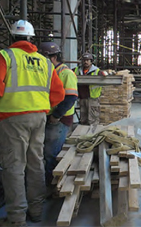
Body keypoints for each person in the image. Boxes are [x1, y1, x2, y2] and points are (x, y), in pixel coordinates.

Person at [0, 20, 65, 227]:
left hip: (13, 117)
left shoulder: (5, 56)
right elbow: (58, 93)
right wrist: (44, 107)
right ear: (31, 39)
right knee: (35, 163)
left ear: (12, 37)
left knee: (14, 167)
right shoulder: (44, 61)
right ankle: (36, 211)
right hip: (39, 117)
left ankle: (16, 219)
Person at [38, 42, 78, 186]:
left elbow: (71, 97)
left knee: (51, 153)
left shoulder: (66, 73)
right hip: (49, 116)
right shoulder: (48, 71)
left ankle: (52, 183)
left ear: (53, 57)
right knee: (47, 151)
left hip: (60, 119)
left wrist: (57, 116)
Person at [73, 51, 106, 125]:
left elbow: (105, 77)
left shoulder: (97, 71)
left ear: (91, 61)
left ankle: (92, 134)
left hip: (92, 98)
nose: (86, 62)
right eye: (84, 60)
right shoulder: (77, 70)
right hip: (82, 98)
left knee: (93, 119)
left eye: (87, 60)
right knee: (83, 119)